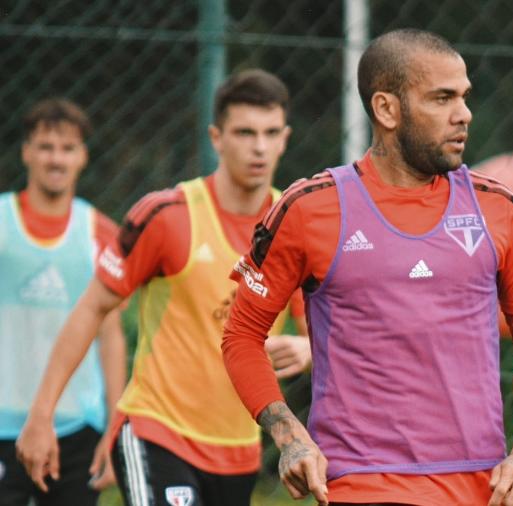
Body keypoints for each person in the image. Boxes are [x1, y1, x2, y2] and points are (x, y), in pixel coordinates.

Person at [222, 29, 513, 506]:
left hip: (480, 488)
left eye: (463, 97)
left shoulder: (501, 210)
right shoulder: (308, 209)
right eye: (441, 98)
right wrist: (289, 435)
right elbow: (240, 338)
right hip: (358, 485)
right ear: (386, 109)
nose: (463, 114)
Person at [16, 69, 312, 506]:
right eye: (245, 132)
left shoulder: (294, 226)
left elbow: (324, 338)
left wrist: (307, 351)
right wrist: (41, 415)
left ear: (285, 137)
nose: (260, 147)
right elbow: (93, 308)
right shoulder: (168, 215)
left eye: (271, 133)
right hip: (157, 432)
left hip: (238, 449)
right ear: (217, 137)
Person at [2, 98, 126, 505]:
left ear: (83, 157)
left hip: (75, 428)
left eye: (67, 148)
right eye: (45, 146)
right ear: (26, 152)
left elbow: (110, 336)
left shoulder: (101, 233)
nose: (56, 159)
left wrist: (115, 426)